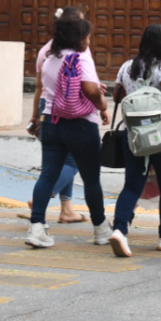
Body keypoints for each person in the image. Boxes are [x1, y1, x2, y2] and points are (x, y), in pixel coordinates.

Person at [26, 16, 113, 249]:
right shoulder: (80, 58)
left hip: (52, 122)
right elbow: (90, 88)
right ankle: (101, 228)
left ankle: (37, 227)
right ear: (78, 37)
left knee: (48, 174)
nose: (88, 40)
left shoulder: (50, 57)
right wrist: (102, 104)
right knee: (91, 179)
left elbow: (45, 88)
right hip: (81, 124)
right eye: (86, 36)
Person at [109, 24, 161, 257]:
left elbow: (117, 96)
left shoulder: (128, 66)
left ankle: (119, 230)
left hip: (134, 135)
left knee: (132, 185)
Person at [20, 7, 87, 224]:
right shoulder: (77, 50)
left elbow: (39, 86)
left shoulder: (45, 50)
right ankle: (44, 195)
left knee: (57, 160)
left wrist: (34, 114)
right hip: (68, 107)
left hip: (46, 106)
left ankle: (67, 209)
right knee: (74, 160)